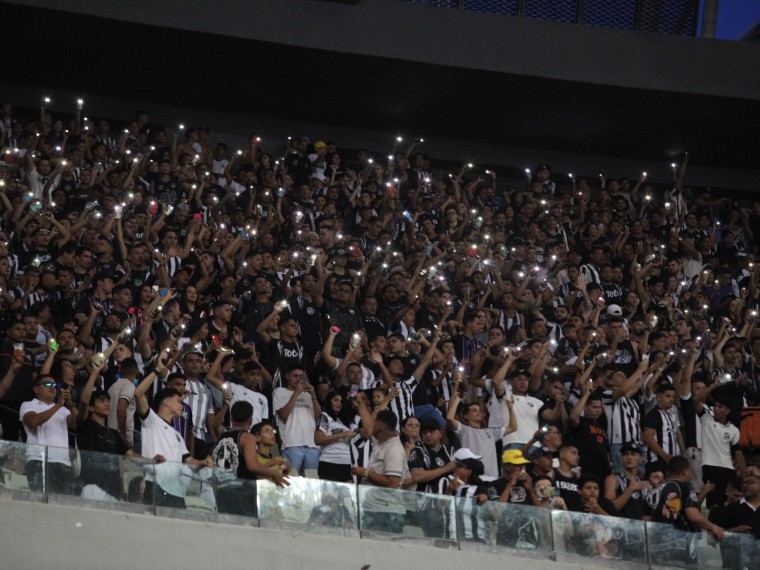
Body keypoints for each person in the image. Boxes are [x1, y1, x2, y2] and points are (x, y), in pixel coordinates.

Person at [133, 366, 213, 508]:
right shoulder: (152, 421)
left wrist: (202, 463)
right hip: (155, 485)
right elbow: (138, 393)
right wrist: (156, 370)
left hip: (177, 492)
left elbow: (188, 460)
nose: (182, 406)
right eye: (178, 401)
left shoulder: (177, 435)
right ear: (167, 402)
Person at [212, 401, 289, 517]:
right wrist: (275, 473)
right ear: (251, 420)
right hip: (241, 492)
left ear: (232, 418)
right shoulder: (247, 437)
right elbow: (252, 466)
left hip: (221, 490)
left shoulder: (221, 437)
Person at [648, 455, 724, 565]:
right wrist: (713, 527)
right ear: (685, 472)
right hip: (681, 550)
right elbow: (693, 515)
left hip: (657, 550)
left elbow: (646, 519)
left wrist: (703, 493)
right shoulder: (685, 488)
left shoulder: (655, 491)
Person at [20, 374, 78, 493]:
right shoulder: (28, 405)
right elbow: (33, 422)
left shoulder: (63, 410)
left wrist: (70, 404)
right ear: (36, 389)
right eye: (47, 384)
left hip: (64, 463)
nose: (52, 387)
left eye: (54, 385)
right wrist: (58, 405)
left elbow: (77, 424)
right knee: (42, 503)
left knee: (66, 504)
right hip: (38, 460)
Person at [351, 409, 406, 533]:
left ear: (379, 426)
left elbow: (393, 483)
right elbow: (368, 429)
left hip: (387, 512)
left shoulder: (394, 449)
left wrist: (365, 473)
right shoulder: (381, 441)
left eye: (374, 422)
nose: (371, 424)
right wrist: (360, 405)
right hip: (374, 508)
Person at [694, 382, 744, 509]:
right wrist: (714, 385)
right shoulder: (706, 419)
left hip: (728, 469)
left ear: (728, 410)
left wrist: (744, 476)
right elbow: (696, 400)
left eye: (720, 407)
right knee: (714, 504)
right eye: (715, 406)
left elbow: (738, 453)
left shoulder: (733, 429)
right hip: (711, 468)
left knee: (729, 503)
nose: (716, 409)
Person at [273, 364, 321, 475]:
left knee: (311, 484)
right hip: (291, 444)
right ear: (287, 376)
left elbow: (318, 417)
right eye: (295, 376)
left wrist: (313, 395)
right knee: (290, 482)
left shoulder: (308, 395)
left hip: (313, 445)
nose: (299, 379)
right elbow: (284, 415)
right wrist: (296, 393)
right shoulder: (279, 392)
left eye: (301, 376)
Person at [314, 391, 355, 482]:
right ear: (329, 401)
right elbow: (318, 439)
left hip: (347, 464)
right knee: (330, 496)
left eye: (341, 401)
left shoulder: (345, 420)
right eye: (336, 400)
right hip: (329, 463)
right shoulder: (324, 416)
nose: (338, 403)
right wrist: (342, 434)